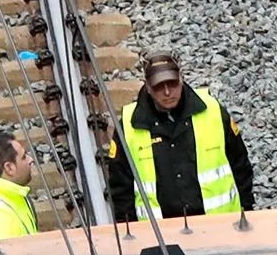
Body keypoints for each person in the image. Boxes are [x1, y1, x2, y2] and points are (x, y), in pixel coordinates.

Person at [106, 51, 255, 225]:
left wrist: (247, 214)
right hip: (159, 234)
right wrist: (131, 233)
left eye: (172, 83)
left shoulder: (213, 111)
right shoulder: (129, 126)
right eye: (159, 86)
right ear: (147, 87)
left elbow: (240, 165)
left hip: (220, 226)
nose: (167, 92)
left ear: (181, 78)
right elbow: (120, 188)